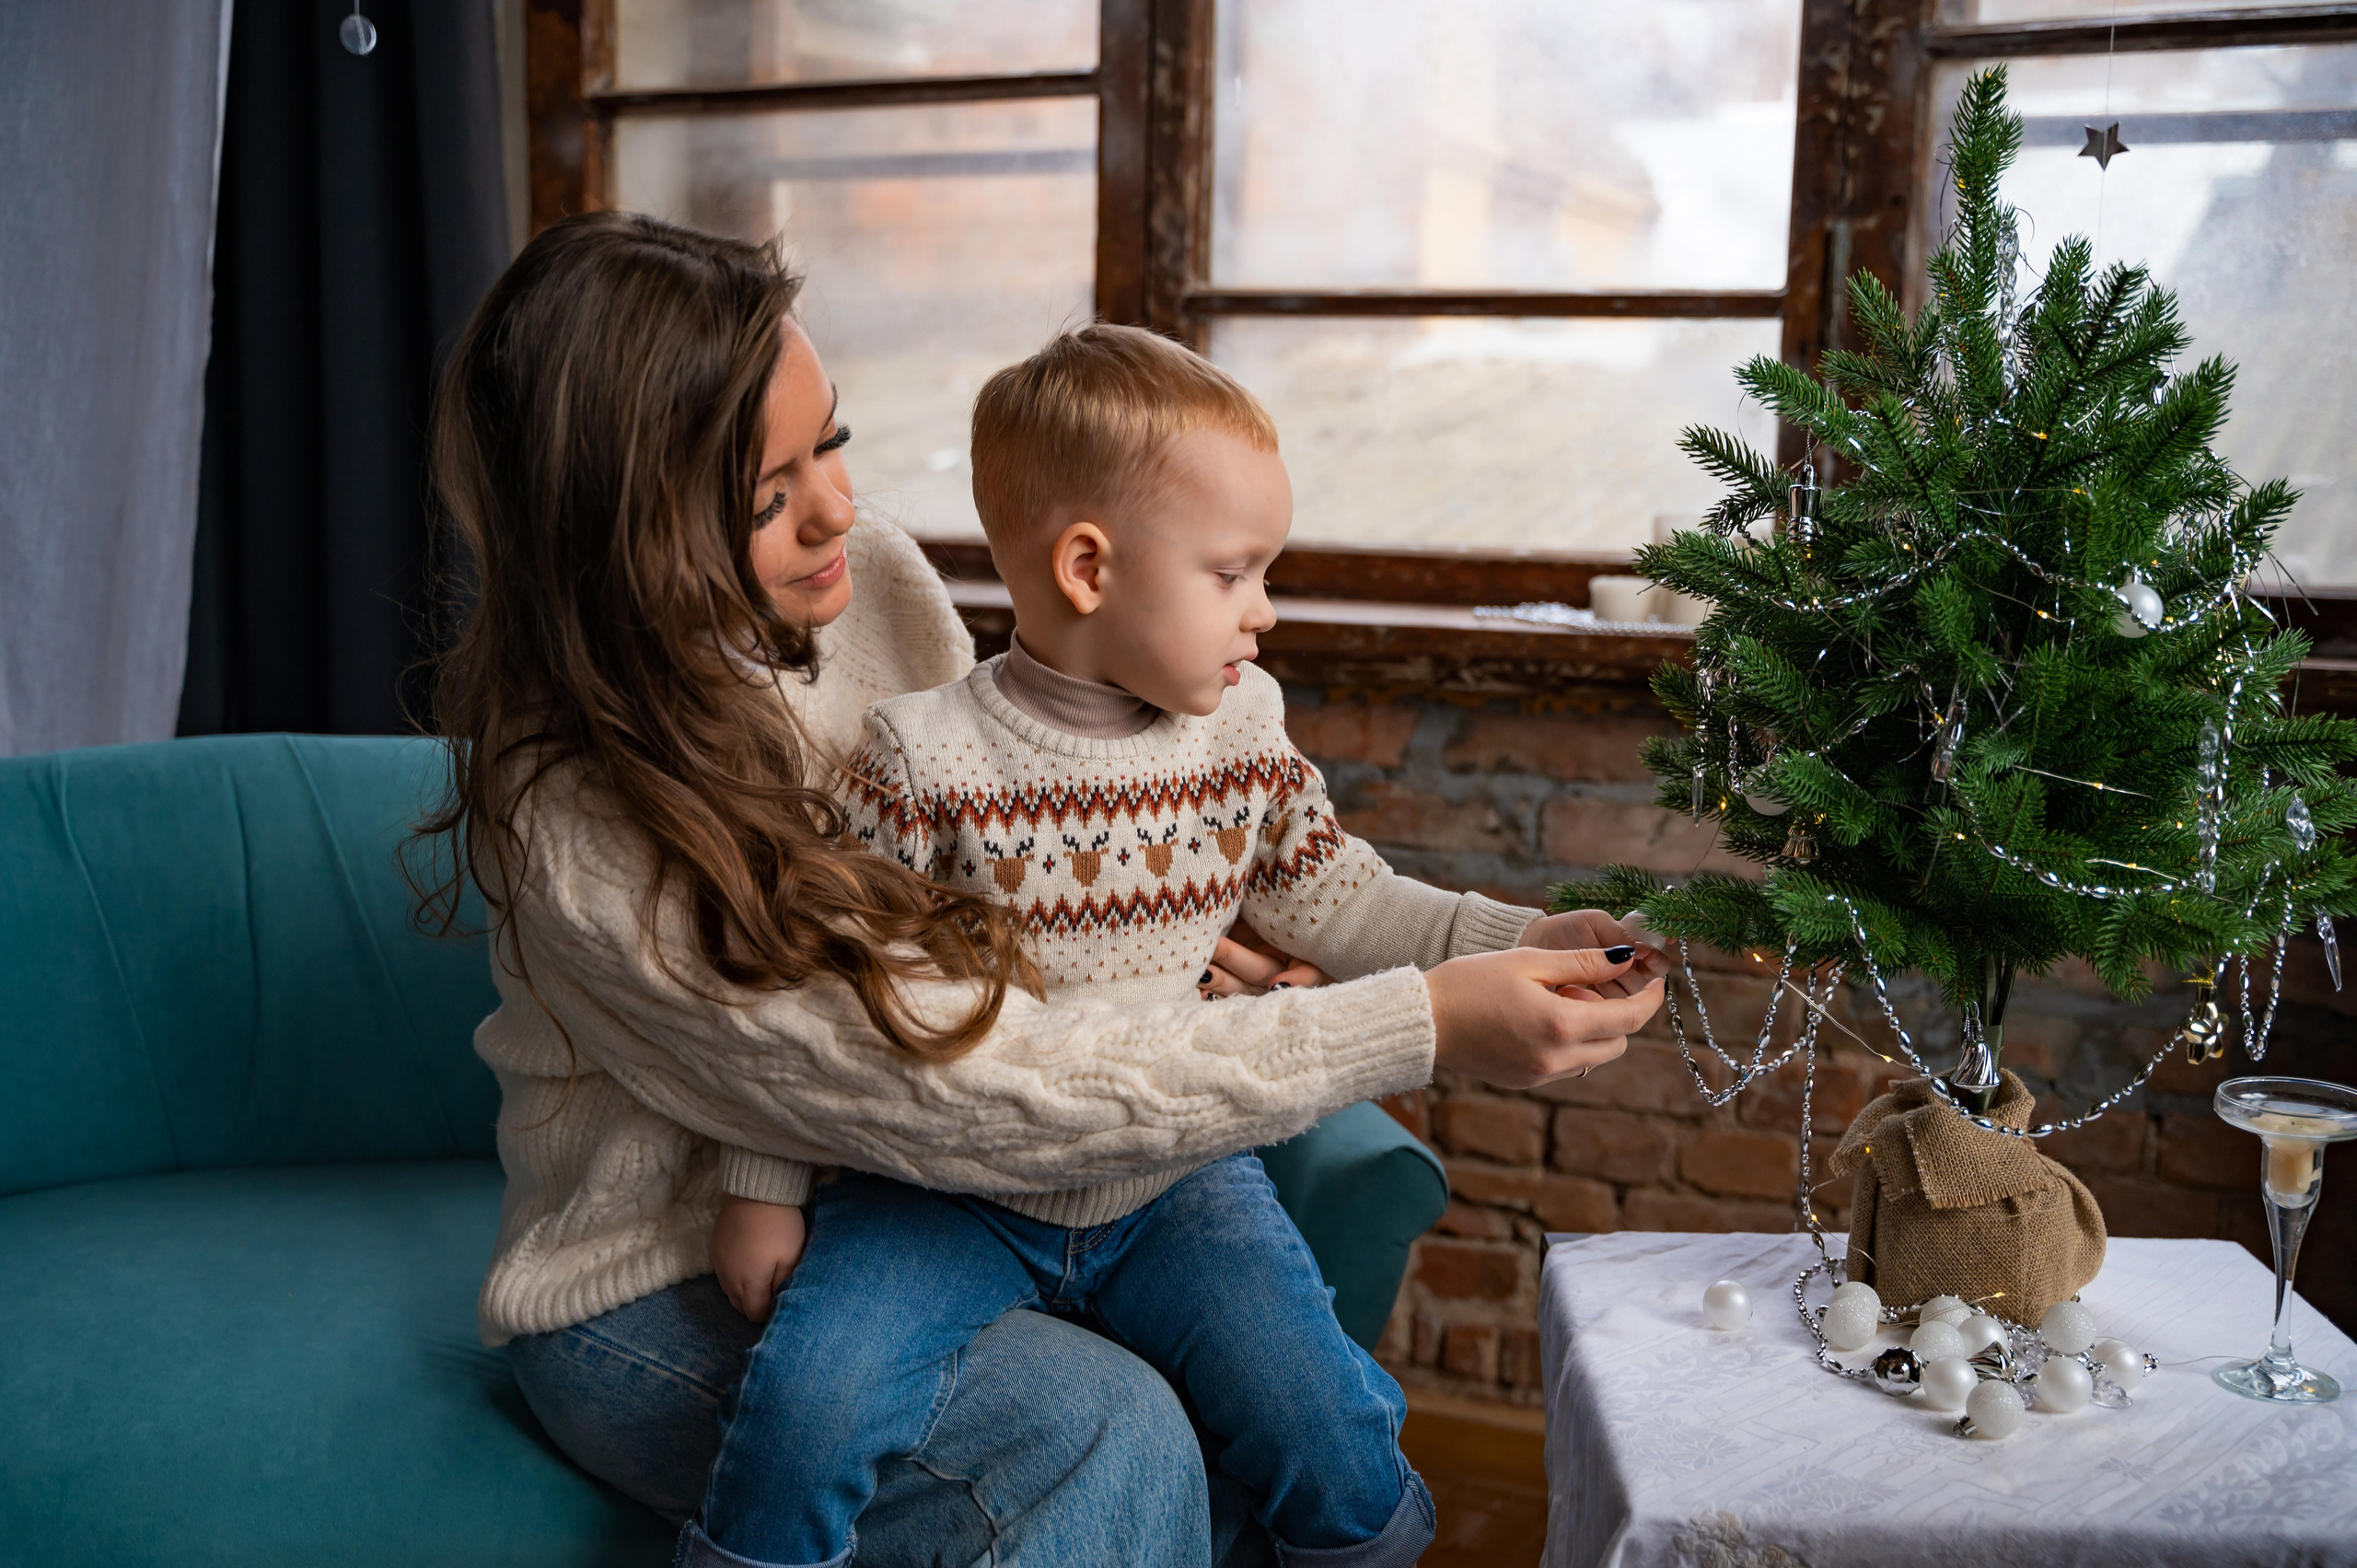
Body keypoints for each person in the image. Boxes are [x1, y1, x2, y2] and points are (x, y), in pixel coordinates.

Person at [416, 211, 1666, 1566]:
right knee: (1094, 1427)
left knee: (1300, 1402)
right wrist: (1419, 1018)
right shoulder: (580, 821)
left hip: (1018, 1144)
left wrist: (1251, 946)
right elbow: (917, 1075)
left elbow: (1045, 854)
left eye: (830, 439)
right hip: (706, 1249)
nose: (843, 510)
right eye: (769, 495)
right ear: (621, 537)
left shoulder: (880, 581)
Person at [698, 323, 1653, 1568]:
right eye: (1234, 573)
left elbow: (1341, 899)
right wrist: (761, 1185)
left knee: (1332, 1434)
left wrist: (1521, 936)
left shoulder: (1242, 728)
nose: (1263, 610)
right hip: (941, 1192)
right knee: (804, 1410)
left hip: (1173, 1179)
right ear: (1089, 569)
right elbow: (820, 987)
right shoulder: (919, 753)